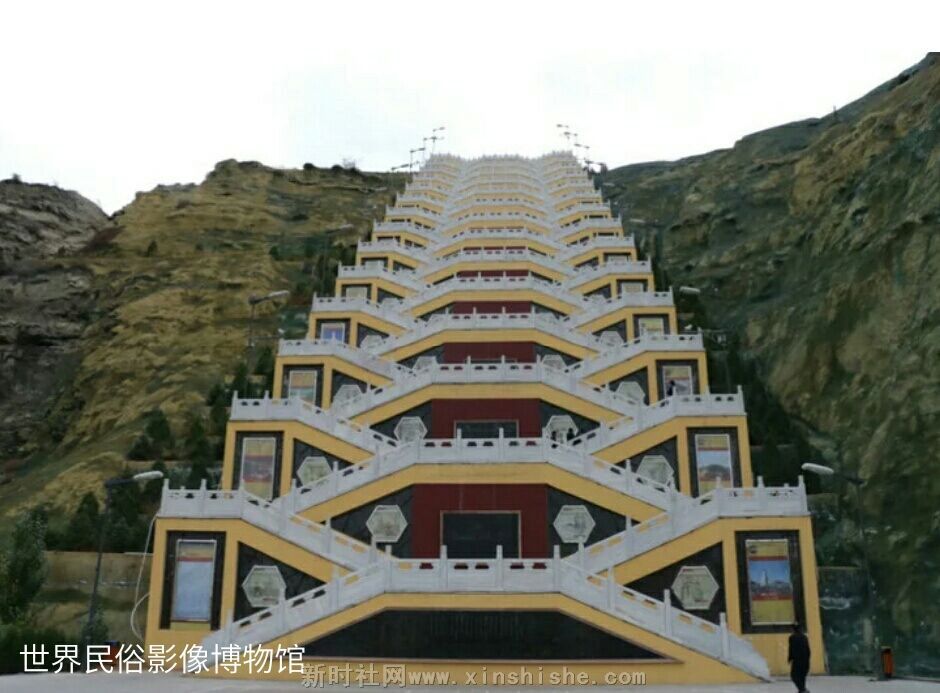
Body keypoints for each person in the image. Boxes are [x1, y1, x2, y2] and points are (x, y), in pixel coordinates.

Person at [788, 622, 811, 693]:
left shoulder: (792, 637)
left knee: (794, 676)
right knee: (802, 676)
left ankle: (802, 689)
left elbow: (791, 649)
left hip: (797, 660)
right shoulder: (804, 637)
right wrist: (808, 659)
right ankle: (802, 689)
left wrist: (790, 658)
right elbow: (808, 649)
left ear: (793, 629)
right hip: (805, 659)